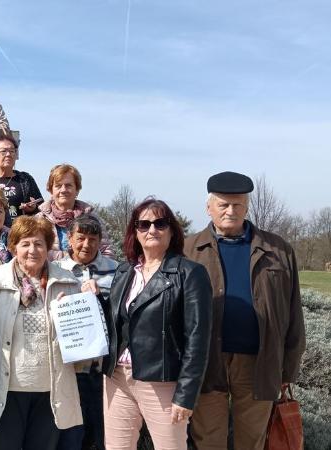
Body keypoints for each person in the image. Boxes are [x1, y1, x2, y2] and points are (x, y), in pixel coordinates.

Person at [185, 172, 306, 450]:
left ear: (247, 206)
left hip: (259, 363)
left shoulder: (278, 250)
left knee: (251, 441)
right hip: (205, 363)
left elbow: (293, 312)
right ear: (209, 207)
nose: (230, 211)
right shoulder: (188, 249)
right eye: (223, 205)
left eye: (237, 205)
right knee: (208, 440)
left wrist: (288, 367)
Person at [102, 198, 213, 450]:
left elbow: (198, 338)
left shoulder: (190, 274)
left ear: (172, 230)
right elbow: (114, 321)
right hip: (117, 378)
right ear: (135, 232)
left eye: (160, 223)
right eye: (143, 224)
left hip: (162, 382)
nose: (151, 230)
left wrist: (186, 395)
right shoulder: (124, 271)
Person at [0, 216, 86, 449]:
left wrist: (73, 313)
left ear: (48, 248)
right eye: (25, 243)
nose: (32, 250)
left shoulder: (68, 284)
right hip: (3, 392)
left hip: (51, 392)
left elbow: (83, 347)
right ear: (14, 246)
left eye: (39, 244)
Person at [56, 214, 119, 450]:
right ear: (69, 239)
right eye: (80, 238)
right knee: (71, 436)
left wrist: (100, 298)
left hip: (103, 368)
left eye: (93, 238)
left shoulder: (117, 271)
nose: (86, 244)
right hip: (67, 369)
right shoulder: (55, 270)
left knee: (103, 433)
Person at [38, 164, 113, 260]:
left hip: (88, 273)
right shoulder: (39, 220)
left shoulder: (92, 218)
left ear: (77, 190)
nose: (63, 190)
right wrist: (71, 259)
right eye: (58, 186)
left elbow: (107, 252)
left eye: (68, 185)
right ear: (51, 190)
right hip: (49, 273)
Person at [0, 136, 43, 220]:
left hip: (19, 230)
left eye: (12, 151)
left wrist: (33, 208)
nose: (8, 154)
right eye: (3, 151)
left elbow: (42, 209)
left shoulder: (25, 180)